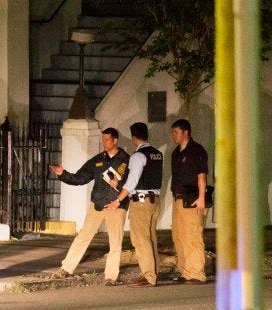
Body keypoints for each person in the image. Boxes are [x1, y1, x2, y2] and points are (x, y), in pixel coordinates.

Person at [49, 128, 130, 286]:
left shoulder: (127, 160)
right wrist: (62, 174)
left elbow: (131, 184)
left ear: (115, 140)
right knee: (83, 236)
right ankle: (66, 268)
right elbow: (80, 178)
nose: (104, 143)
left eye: (107, 140)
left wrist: (120, 195)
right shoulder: (98, 160)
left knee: (115, 242)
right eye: (102, 140)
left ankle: (111, 276)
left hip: (116, 206)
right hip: (97, 205)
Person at [105, 122, 163, 287]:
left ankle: (148, 276)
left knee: (140, 240)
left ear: (134, 137)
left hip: (142, 203)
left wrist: (118, 200)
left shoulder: (138, 156)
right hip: (154, 201)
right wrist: (118, 184)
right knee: (150, 239)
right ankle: (154, 272)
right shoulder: (157, 154)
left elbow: (132, 182)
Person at [169, 119, 208, 284]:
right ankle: (185, 272)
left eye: (175, 132)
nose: (173, 135)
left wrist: (201, 198)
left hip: (192, 200)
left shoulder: (196, 150)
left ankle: (197, 273)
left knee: (193, 236)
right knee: (178, 236)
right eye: (172, 132)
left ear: (186, 132)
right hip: (178, 200)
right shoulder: (176, 152)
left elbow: (202, 176)